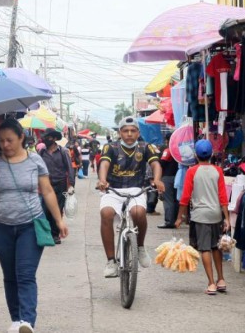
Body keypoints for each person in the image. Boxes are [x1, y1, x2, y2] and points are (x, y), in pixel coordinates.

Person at [0, 119, 69, 333]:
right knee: (10, 275)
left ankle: (27, 322)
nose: (5, 145)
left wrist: (59, 220)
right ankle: (16, 319)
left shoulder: (35, 161)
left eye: (10, 140)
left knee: (25, 274)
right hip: (0, 228)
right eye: (1, 140)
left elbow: (48, 191)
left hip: (30, 225)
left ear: (21, 137)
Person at [97, 116, 165, 278]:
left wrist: (157, 179)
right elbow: (104, 164)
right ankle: (111, 261)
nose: (129, 134)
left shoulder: (145, 147)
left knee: (138, 213)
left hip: (136, 189)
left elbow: (155, 164)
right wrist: (102, 180)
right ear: (120, 133)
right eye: (125, 131)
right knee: (106, 213)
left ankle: (140, 247)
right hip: (113, 190)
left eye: (132, 131)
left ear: (138, 132)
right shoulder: (110, 147)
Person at [175, 139, 230, 295]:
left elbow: (185, 197)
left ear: (195, 155)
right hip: (216, 214)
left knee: (205, 248)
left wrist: (179, 217)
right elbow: (223, 196)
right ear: (211, 154)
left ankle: (211, 283)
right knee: (216, 247)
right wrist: (226, 218)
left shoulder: (192, 171)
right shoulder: (218, 170)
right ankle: (221, 280)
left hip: (200, 215)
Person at [39, 128, 74, 244]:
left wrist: (71, 185)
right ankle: (48, 233)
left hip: (60, 184)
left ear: (54, 139)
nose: (45, 140)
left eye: (48, 137)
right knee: (46, 210)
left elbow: (70, 168)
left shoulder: (63, 152)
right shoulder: (42, 152)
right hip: (45, 185)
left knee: (57, 209)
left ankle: (55, 235)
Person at [158, 133, 180, 229]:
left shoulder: (168, 150)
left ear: (167, 140)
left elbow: (161, 163)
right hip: (177, 177)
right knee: (175, 200)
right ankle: (175, 220)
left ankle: (169, 222)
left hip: (167, 177)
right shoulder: (179, 149)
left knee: (168, 201)